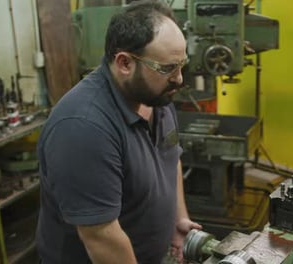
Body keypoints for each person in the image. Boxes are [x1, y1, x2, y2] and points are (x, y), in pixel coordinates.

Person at [36, 0, 201, 263]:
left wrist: (178, 219)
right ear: (124, 63)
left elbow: (170, 159)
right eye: (168, 68)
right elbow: (102, 239)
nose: (179, 78)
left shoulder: (156, 97)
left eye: (182, 64)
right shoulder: (83, 127)